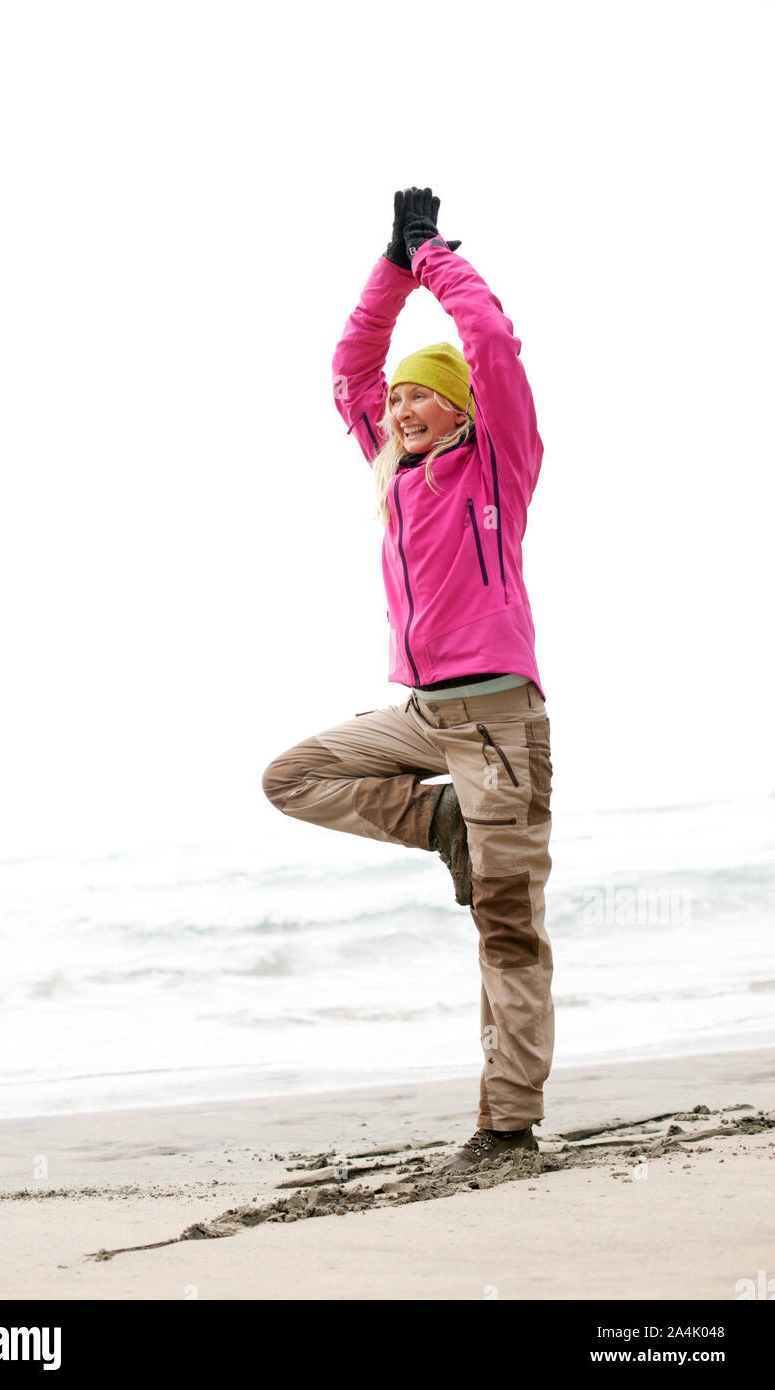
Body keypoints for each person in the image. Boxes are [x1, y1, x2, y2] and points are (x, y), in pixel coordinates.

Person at [262, 187, 554, 1175]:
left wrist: (432, 258)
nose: (399, 404)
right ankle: (443, 825)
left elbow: (491, 342)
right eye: (395, 399)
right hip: (426, 718)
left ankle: (506, 1127)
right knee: (294, 775)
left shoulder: (496, 467)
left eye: (420, 393)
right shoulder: (392, 473)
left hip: (501, 723)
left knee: (507, 934)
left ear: (461, 407)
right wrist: (388, 266)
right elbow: (348, 369)